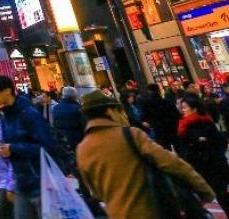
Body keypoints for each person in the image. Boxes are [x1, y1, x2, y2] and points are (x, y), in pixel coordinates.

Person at [76, 89, 213, 217]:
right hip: (150, 211)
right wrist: (203, 190)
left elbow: (96, 193)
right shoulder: (129, 134)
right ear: (110, 112)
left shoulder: (82, 149)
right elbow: (171, 162)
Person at [0, 74, 57, 218]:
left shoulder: (29, 113)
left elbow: (47, 147)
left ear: (7, 91)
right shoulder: (6, 116)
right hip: (21, 183)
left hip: (40, 182)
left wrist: (13, 148)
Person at [176, 94, 229, 214]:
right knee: (220, 194)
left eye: (185, 107)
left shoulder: (194, 125)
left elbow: (219, 142)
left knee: (218, 194)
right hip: (210, 166)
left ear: (194, 108)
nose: (182, 110)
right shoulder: (187, 125)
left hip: (207, 167)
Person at [138, 82, 181, 150]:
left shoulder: (146, 104)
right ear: (158, 90)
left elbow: (144, 116)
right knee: (178, 147)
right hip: (171, 128)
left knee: (165, 148)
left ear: (149, 91)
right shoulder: (167, 102)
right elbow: (176, 115)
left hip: (158, 129)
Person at [50, 86, 85, 165]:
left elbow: (54, 124)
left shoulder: (56, 108)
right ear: (74, 96)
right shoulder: (78, 108)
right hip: (78, 139)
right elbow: (83, 125)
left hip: (63, 140)